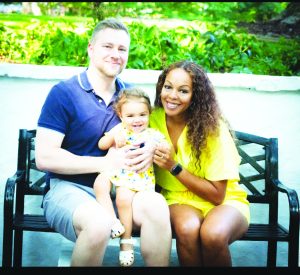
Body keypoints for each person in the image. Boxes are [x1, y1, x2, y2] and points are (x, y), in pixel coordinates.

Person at [35, 18, 172, 267]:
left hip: (125, 189)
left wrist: (153, 147)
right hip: (70, 189)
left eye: (122, 49)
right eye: (107, 46)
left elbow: (155, 135)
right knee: (99, 223)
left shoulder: (132, 96)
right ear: (91, 48)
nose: (115, 55)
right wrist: (104, 163)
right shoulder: (64, 93)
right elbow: (45, 157)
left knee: (157, 206)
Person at [150, 60, 250, 267]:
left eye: (183, 91)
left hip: (224, 201)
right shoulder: (151, 119)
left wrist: (173, 167)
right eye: (168, 87)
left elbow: (217, 195)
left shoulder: (212, 128)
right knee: (187, 228)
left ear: (196, 96)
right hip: (177, 198)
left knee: (213, 234)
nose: (172, 96)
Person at [94, 87, 169, 267]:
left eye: (142, 114)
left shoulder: (151, 134)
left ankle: (125, 242)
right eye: (130, 116)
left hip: (138, 179)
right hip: (118, 174)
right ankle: (113, 221)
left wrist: (157, 146)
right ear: (121, 115)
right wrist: (113, 138)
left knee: (123, 198)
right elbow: (101, 144)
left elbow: (166, 147)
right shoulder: (119, 129)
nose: (137, 120)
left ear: (149, 114)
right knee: (99, 184)